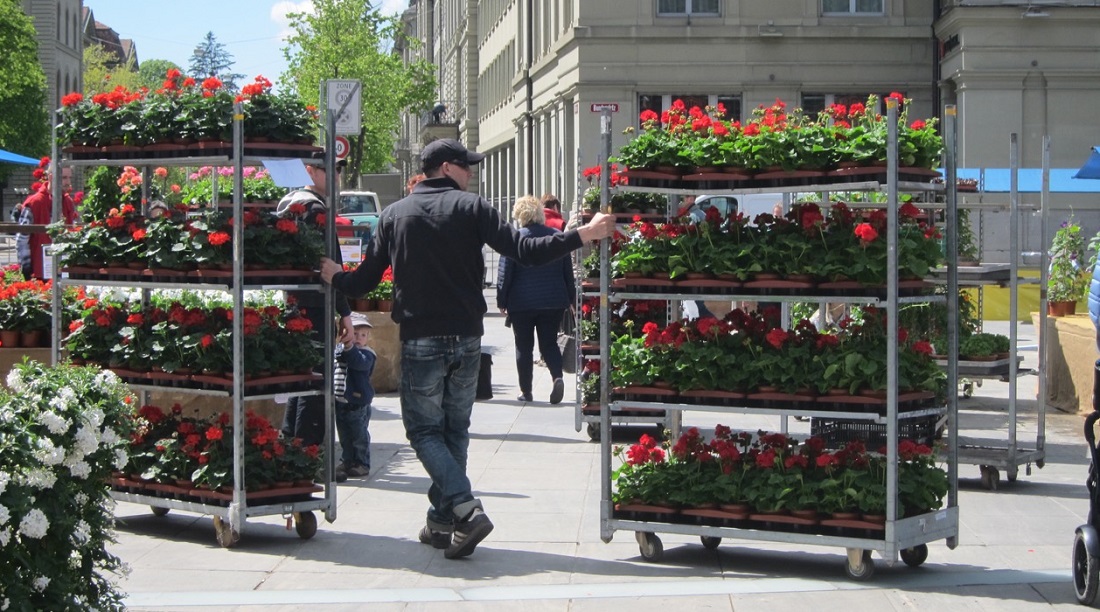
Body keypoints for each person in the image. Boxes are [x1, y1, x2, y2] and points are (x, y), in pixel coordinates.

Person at [318, 137, 617, 559]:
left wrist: (335, 277)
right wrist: (580, 235)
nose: (472, 172)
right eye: (466, 165)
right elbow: (525, 251)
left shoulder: (393, 215)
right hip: (467, 338)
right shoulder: (472, 208)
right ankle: (441, 523)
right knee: (453, 431)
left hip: (422, 338)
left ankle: (464, 508)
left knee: (423, 431)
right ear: (444, 167)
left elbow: (365, 281)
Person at [280, 151, 356, 447]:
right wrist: (345, 312)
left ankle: (293, 446)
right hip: (313, 302)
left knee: (304, 378)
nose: (336, 176)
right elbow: (329, 264)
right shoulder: (313, 209)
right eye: (331, 171)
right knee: (316, 383)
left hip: (296, 300)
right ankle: (308, 454)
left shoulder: (291, 203)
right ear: (311, 171)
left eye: (338, 171)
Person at [497, 195, 575, 404]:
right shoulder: (556, 236)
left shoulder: (514, 238)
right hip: (553, 300)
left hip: (521, 302)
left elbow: (505, 272)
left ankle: (526, 391)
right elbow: (568, 272)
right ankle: (557, 376)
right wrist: (571, 298)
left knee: (523, 346)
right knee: (549, 343)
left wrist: (501, 299)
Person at [333, 313, 377, 482]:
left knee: (359, 435)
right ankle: (348, 460)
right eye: (355, 333)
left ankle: (362, 463)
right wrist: (343, 347)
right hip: (340, 401)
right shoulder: (341, 350)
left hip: (357, 402)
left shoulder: (367, 354)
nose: (358, 338)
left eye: (363, 335)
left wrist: (349, 347)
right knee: (345, 435)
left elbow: (358, 363)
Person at [17, 159, 76, 279]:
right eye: (64, 178)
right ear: (51, 177)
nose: (68, 182)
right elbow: (21, 239)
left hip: (63, 268)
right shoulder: (34, 202)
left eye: (69, 178)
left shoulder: (68, 202)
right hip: (39, 272)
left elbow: (72, 232)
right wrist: (26, 268)